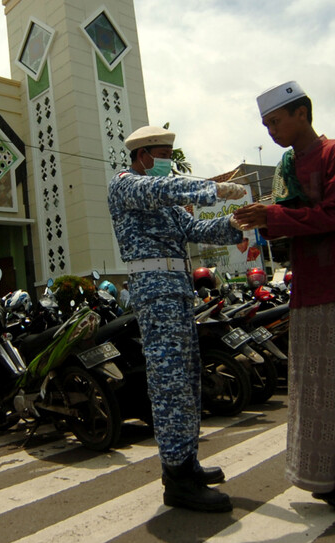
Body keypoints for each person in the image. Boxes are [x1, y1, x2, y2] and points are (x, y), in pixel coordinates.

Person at [233, 81, 335, 514]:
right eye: (265, 125)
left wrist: (274, 215)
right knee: (318, 388)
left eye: (276, 121)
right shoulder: (286, 165)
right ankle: (332, 477)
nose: (271, 131)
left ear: (302, 112)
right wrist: (261, 219)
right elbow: (284, 221)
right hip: (309, 287)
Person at [108, 125, 248, 512]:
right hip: (155, 289)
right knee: (169, 381)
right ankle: (176, 478)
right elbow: (159, 189)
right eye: (162, 153)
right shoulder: (125, 185)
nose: (167, 160)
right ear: (143, 156)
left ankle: (186, 461)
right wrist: (212, 188)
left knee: (186, 377)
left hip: (179, 289)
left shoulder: (168, 203)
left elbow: (197, 229)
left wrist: (237, 224)